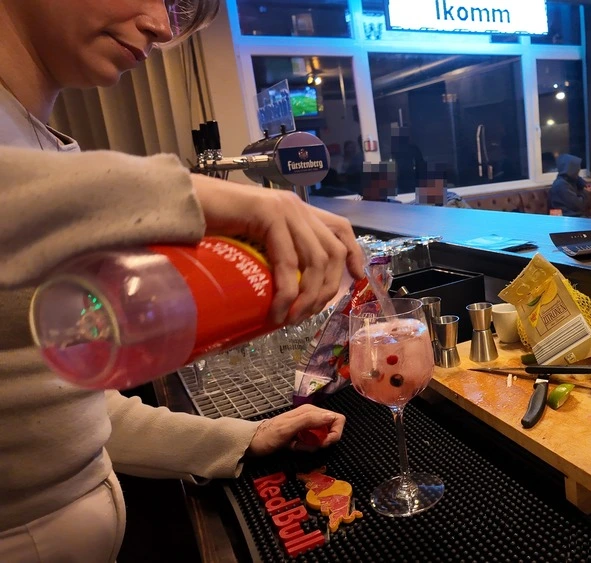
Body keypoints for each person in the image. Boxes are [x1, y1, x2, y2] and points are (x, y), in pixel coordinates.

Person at [0, 2, 366, 560]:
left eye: (180, 10)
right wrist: (194, 196)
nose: (162, 26)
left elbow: (69, 414)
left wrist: (238, 438)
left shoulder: (43, 145)